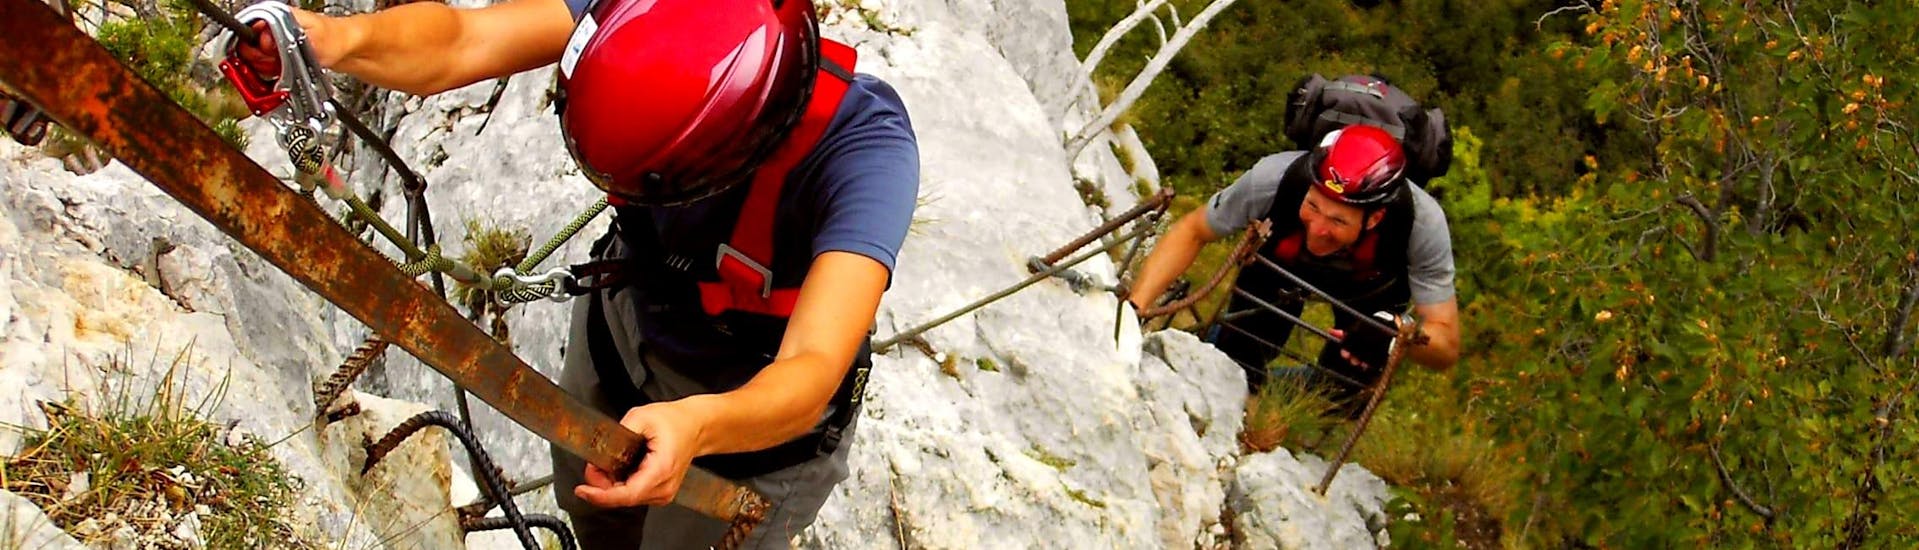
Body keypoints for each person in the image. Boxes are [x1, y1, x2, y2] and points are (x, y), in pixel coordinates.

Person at [236, 0, 918, 547]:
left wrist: (699, 427)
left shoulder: (864, 151)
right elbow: (464, 39)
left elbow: (811, 368)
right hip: (619, 335)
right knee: (589, 506)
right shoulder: (653, 11)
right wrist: (331, 38)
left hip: (745, 429)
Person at [1125, 124, 1457, 408]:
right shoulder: (1275, 179)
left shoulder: (1421, 226)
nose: (1318, 229)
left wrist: (1397, 331)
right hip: (1279, 267)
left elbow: (1446, 346)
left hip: (1367, 291)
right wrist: (1133, 311)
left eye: (1338, 220)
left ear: (1376, 218)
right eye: (1312, 206)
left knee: (1349, 388)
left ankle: (1274, 408)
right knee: (1239, 348)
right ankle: (1235, 385)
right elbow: (1193, 230)